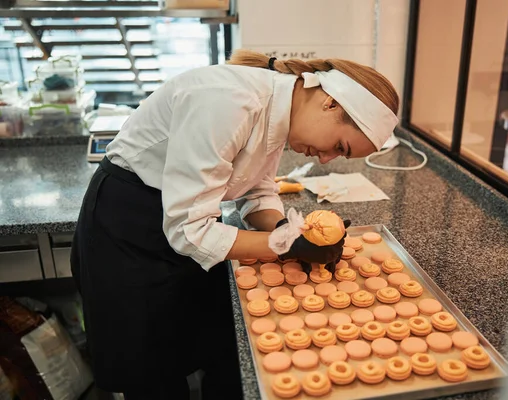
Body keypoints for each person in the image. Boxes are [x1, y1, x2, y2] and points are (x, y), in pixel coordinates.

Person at [70, 49, 399, 399]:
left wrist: (288, 231)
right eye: (339, 146)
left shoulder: (280, 108)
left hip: (183, 216)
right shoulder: (229, 103)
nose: (326, 158)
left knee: (209, 344)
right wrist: (284, 247)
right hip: (127, 224)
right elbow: (189, 231)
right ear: (330, 103)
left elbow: (257, 191)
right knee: (153, 375)